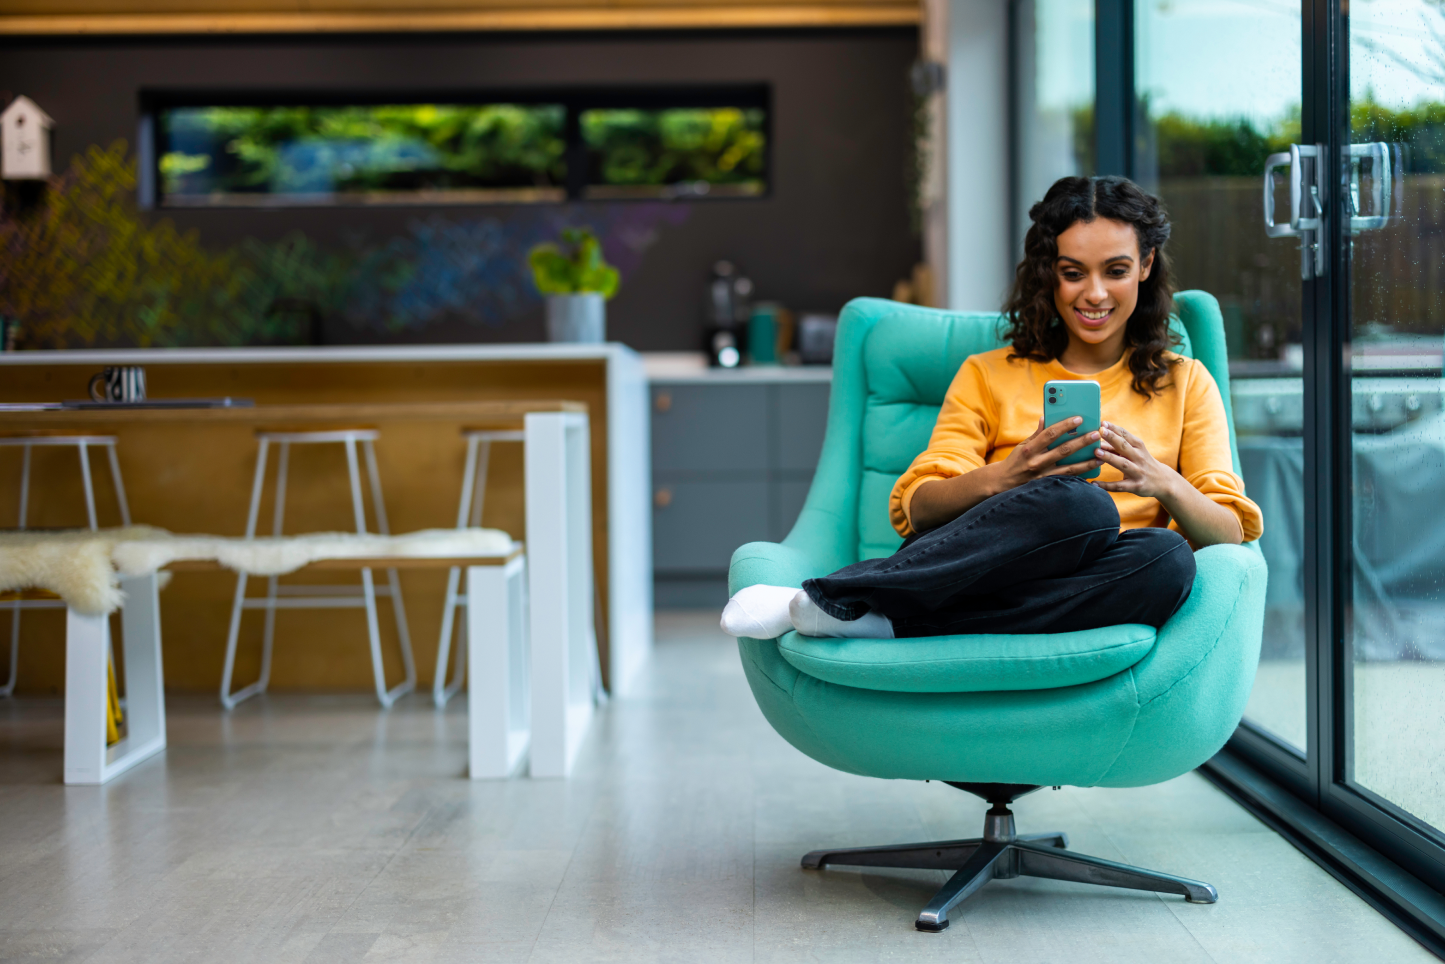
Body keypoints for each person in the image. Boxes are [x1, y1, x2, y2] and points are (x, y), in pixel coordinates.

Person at [721, 175, 1263, 641]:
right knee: (1082, 508)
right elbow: (918, 506)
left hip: (1094, 586)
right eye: (1073, 272)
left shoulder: (1186, 383)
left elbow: (1229, 531)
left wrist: (1164, 482)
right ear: (1049, 272)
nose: (1094, 294)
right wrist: (1010, 476)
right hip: (986, 567)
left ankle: (865, 610)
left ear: (1145, 266)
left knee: (1167, 558)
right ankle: (850, 597)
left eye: (1115, 270)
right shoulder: (988, 373)